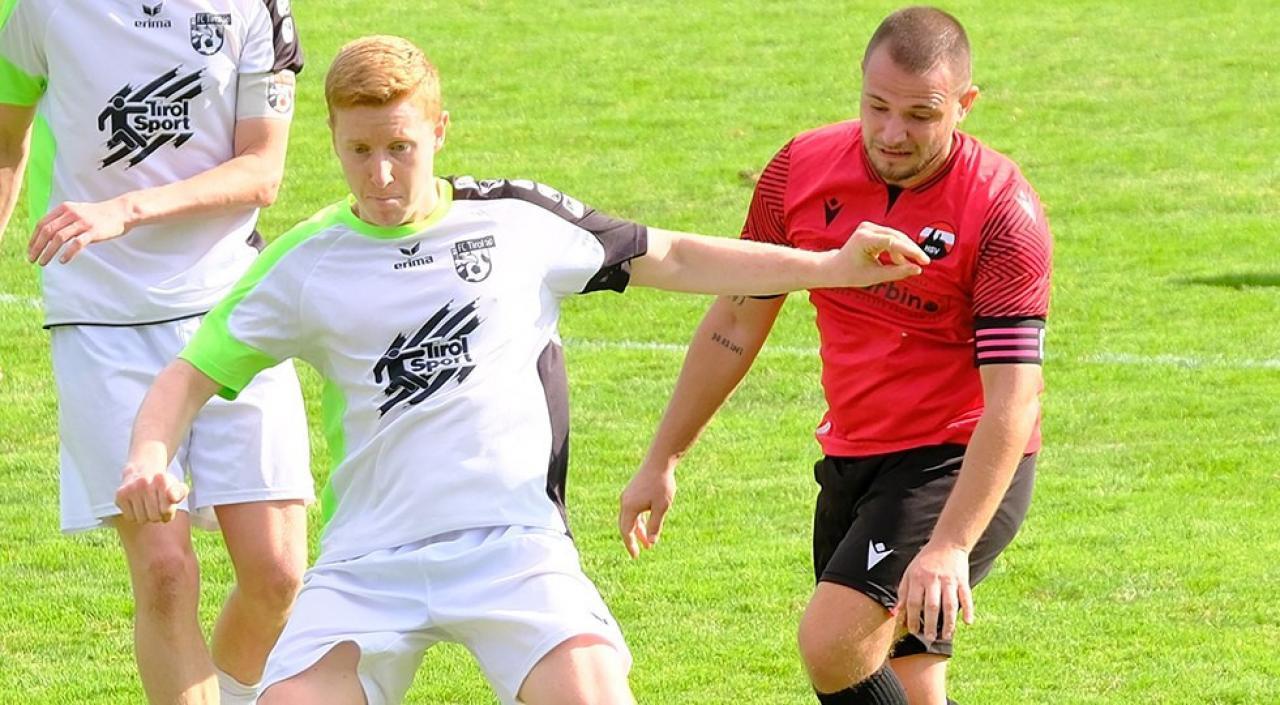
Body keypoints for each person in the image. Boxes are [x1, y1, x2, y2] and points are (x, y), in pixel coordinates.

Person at [114, 34, 931, 705]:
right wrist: (149, 454)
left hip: (513, 545)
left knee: (594, 693)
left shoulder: (514, 222)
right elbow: (189, 372)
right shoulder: (306, 263)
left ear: (439, 129)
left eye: (400, 146)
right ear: (332, 138)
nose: (382, 173)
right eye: (358, 150)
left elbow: (672, 255)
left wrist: (829, 266)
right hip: (369, 559)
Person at [618, 7, 1053, 705]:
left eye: (920, 114)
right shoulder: (800, 168)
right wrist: (663, 456)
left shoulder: (1001, 211)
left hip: (951, 458)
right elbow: (736, 318)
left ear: (965, 106)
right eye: (876, 106)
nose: (891, 133)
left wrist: (947, 545)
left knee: (834, 644)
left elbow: (1013, 398)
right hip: (854, 456)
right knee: (911, 682)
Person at [0, 2, 312, 703]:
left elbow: (262, 169)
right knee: (166, 572)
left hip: (231, 308)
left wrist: (126, 209)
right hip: (100, 314)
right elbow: (4, 138)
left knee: (278, 574)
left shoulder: (256, 7)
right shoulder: (41, 12)